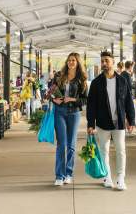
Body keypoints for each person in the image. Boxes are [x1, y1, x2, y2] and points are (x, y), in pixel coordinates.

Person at [86, 51, 135, 191]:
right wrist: (91, 124)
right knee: (103, 151)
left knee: (121, 150)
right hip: (102, 122)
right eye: (102, 61)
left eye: (106, 60)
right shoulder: (96, 83)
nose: (104, 64)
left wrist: (131, 120)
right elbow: (91, 105)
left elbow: (128, 101)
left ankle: (120, 178)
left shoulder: (122, 81)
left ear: (113, 62)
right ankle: (107, 176)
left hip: (119, 122)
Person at [52, 52, 88, 186]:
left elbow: (85, 100)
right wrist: (54, 99)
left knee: (71, 145)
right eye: (69, 60)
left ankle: (69, 174)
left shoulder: (82, 80)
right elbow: (50, 92)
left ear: (78, 63)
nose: (71, 62)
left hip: (74, 113)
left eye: (73, 60)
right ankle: (59, 176)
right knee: (61, 144)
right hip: (59, 112)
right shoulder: (59, 76)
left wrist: (72, 99)